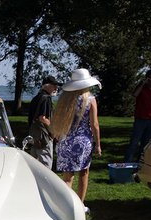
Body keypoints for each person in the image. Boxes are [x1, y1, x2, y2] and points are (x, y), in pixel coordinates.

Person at [50, 68, 102, 212]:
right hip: (82, 141)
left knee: (67, 178)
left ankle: (64, 206)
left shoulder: (65, 99)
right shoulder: (90, 100)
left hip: (65, 140)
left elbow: (57, 120)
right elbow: (94, 124)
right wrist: (98, 144)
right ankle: (79, 206)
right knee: (84, 173)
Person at [125, 70, 151, 162]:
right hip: (140, 119)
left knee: (145, 144)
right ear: (147, 78)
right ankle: (127, 163)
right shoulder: (142, 88)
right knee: (134, 142)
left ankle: (139, 164)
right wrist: (142, 83)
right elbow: (135, 94)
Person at [27, 76, 61, 169]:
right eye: (54, 86)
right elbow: (43, 118)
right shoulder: (46, 98)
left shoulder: (36, 98)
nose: (56, 88)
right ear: (47, 86)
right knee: (46, 167)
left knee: (34, 166)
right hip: (43, 137)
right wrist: (54, 131)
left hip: (34, 135)